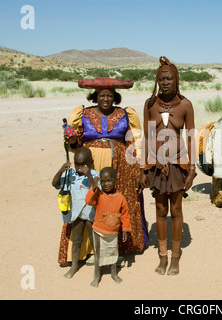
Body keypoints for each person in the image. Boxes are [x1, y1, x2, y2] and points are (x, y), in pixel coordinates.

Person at [57, 77, 149, 266]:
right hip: (91, 165)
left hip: (120, 168)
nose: (106, 99)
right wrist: (72, 141)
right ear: (95, 97)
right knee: (87, 204)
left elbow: (135, 142)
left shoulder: (125, 114)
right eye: (102, 95)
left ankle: (117, 249)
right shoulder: (83, 113)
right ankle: (87, 250)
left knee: (116, 205)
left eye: (109, 95)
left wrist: (138, 169)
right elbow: (75, 142)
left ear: (115, 97)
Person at [140, 56, 197, 276]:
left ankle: (175, 258)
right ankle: (162, 257)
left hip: (178, 164)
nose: (165, 82)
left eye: (169, 78)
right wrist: (143, 169)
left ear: (176, 80)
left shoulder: (185, 105)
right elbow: (146, 138)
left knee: (176, 209)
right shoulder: (150, 104)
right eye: (161, 78)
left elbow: (191, 137)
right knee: (160, 209)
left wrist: (192, 170)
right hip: (155, 164)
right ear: (157, 80)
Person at [52, 147, 99, 278]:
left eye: (83, 164)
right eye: (77, 164)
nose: (80, 168)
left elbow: (95, 191)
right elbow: (54, 184)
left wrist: (88, 174)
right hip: (76, 213)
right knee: (77, 239)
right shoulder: (70, 175)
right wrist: (61, 170)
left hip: (91, 214)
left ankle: (97, 267)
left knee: (94, 239)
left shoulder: (95, 175)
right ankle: (74, 267)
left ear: (91, 162)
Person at [85, 167, 130, 287]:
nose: (105, 184)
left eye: (108, 180)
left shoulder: (120, 198)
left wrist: (125, 230)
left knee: (113, 253)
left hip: (113, 233)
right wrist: (93, 188)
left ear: (116, 180)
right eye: (103, 181)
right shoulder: (99, 194)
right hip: (99, 231)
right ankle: (97, 275)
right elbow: (88, 201)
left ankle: (114, 273)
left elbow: (125, 215)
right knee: (98, 254)